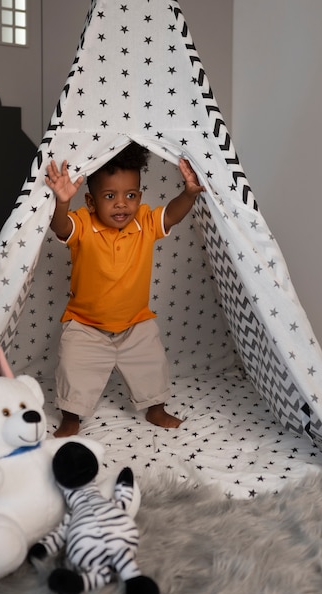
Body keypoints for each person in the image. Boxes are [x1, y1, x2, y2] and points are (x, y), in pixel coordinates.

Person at [46, 143, 205, 436]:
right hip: (86, 325)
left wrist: (189, 194)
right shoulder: (83, 224)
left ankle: (155, 410)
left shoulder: (144, 221)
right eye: (110, 196)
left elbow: (170, 215)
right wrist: (63, 203)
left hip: (136, 322)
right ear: (91, 203)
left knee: (152, 365)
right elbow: (60, 227)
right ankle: (71, 417)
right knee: (73, 368)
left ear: (140, 198)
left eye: (130, 195)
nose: (122, 204)